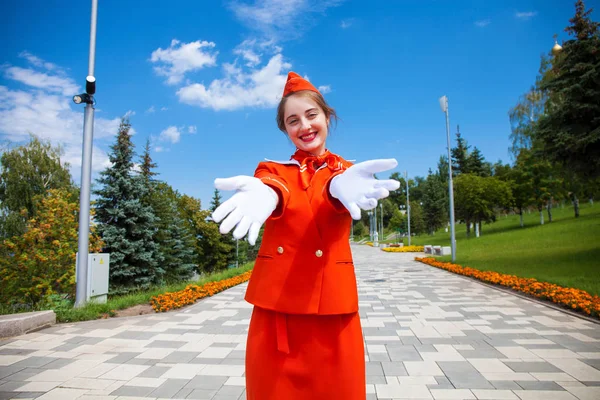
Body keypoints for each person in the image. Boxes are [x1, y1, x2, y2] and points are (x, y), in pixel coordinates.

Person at [212, 71, 400, 400]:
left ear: (327, 116)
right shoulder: (272, 170)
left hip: (333, 309)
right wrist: (266, 195)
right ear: (285, 130)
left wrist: (339, 186)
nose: (304, 126)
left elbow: (334, 189)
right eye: (292, 121)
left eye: (311, 115)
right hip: (277, 311)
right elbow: (277, 189)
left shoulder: (349, 173)